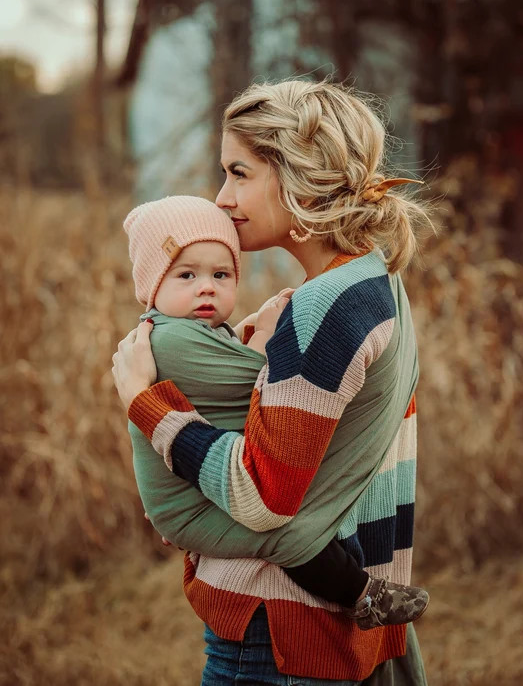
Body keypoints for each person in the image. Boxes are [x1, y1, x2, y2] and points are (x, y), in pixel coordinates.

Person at [113, 78, 430, 685]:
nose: (222, 197)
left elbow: (261, 496)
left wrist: (146, 403)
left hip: (275, 626)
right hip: (323, 616)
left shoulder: (323, 309)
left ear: (296, 172)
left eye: (239, 172)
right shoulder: (377, 280)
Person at [122, 193, 429, 630]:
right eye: (186, 274)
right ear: (153, 284)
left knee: (283, 529)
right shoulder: (167, 341)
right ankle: (363, 596)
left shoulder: (199, 331)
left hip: (194, 488)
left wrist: (252, 331)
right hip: (184, 506)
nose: (206, 286)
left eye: (221, 274)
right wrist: (269, 336)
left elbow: (244, 379)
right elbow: (270, 383)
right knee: (289, 535)